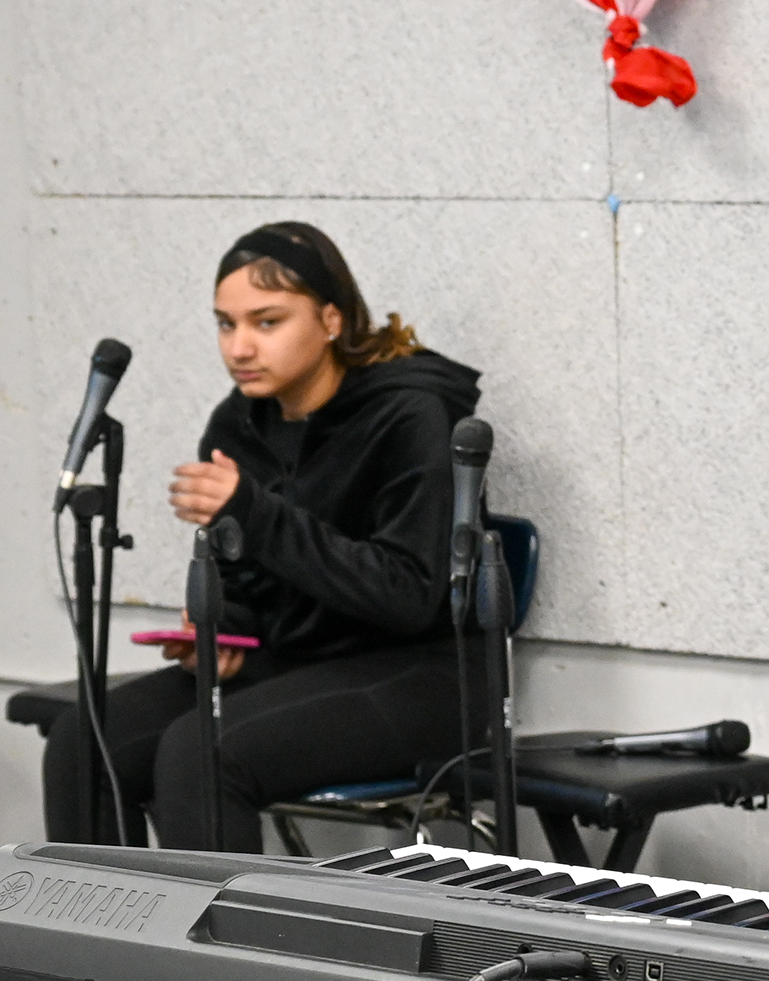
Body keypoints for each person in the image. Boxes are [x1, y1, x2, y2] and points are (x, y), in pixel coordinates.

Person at [41, 221, 483, 852]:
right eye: (226, 324)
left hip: (420, 676)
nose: (239, 347)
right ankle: (105, 945)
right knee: (84, 740)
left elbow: (407, 596)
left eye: (266, 322)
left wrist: (255, 513)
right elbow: (242, 573)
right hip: (290, 663)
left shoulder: (411, 415)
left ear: (332, 320)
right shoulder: (238, 422)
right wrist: (224, 628)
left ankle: (221, 950)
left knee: (201, 753)